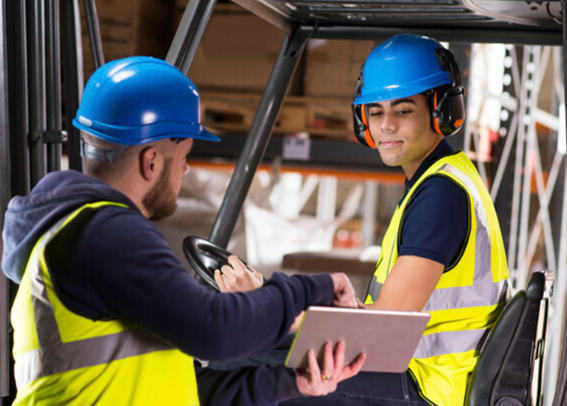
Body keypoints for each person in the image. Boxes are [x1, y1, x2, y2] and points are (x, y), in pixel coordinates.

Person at [1, 56, 366, 406]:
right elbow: (215, 332)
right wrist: (310, 289)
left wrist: (289, 381)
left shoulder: (88, 235)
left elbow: (182, 385)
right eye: (185, 157)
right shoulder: (102, 233)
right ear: (152, 161)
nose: (187, 170)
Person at [252, 34, 509, 406]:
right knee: (263, 353)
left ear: (441, 111)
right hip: (415, 375)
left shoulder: (440, 195)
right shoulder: (439, 180)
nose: (386, 124)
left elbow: (385, 327)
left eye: (403, 110)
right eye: (375, 111)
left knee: (239, 368)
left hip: (424, 388)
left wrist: (269, 309)